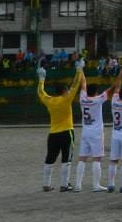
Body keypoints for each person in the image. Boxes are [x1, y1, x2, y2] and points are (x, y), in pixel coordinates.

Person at [37, 63, 83, 191]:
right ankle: (64, 184)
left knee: (50, 158)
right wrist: (79, 70)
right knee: (66, 159)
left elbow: (41, 93)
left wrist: (41, 79)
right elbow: (75, 85)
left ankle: (46, 184)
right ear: (64, 91)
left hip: (53, 133)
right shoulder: (66, 99)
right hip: (67, 132)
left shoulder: (50, 101)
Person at [74, 69, 116, 192]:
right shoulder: (98, 99)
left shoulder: (82, 98)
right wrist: (120, 76)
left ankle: (78, 185)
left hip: (85, 132)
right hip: (96, 133)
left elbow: (83, 84)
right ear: (96, 92)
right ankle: (96, 185)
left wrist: (81, 71)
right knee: (97, 158)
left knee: (82, 158)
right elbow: (112, 89)